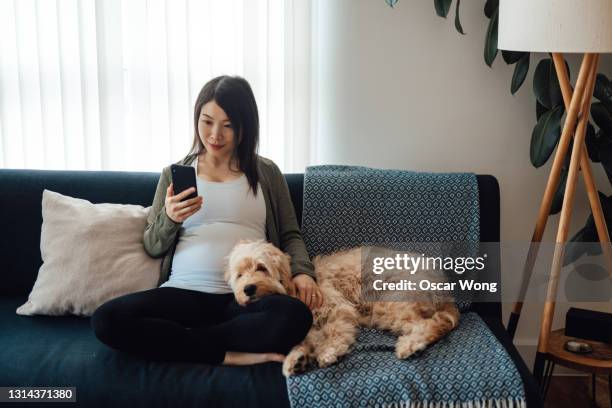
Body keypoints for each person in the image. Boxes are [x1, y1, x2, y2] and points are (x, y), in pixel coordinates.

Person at [91, 75, 323, 366]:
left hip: (244, 298)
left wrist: (302, 272)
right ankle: (227, 354)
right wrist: (170, 219)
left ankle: (182, 340)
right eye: (207, 121)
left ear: (245, 127)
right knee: (107, 319)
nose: (215, 135)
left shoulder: (267, 173)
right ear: (196, 119)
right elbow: (152, 245)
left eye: (228, 125)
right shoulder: (174, 175)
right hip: (184, 291)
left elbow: (289, 234)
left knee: (295, 316)